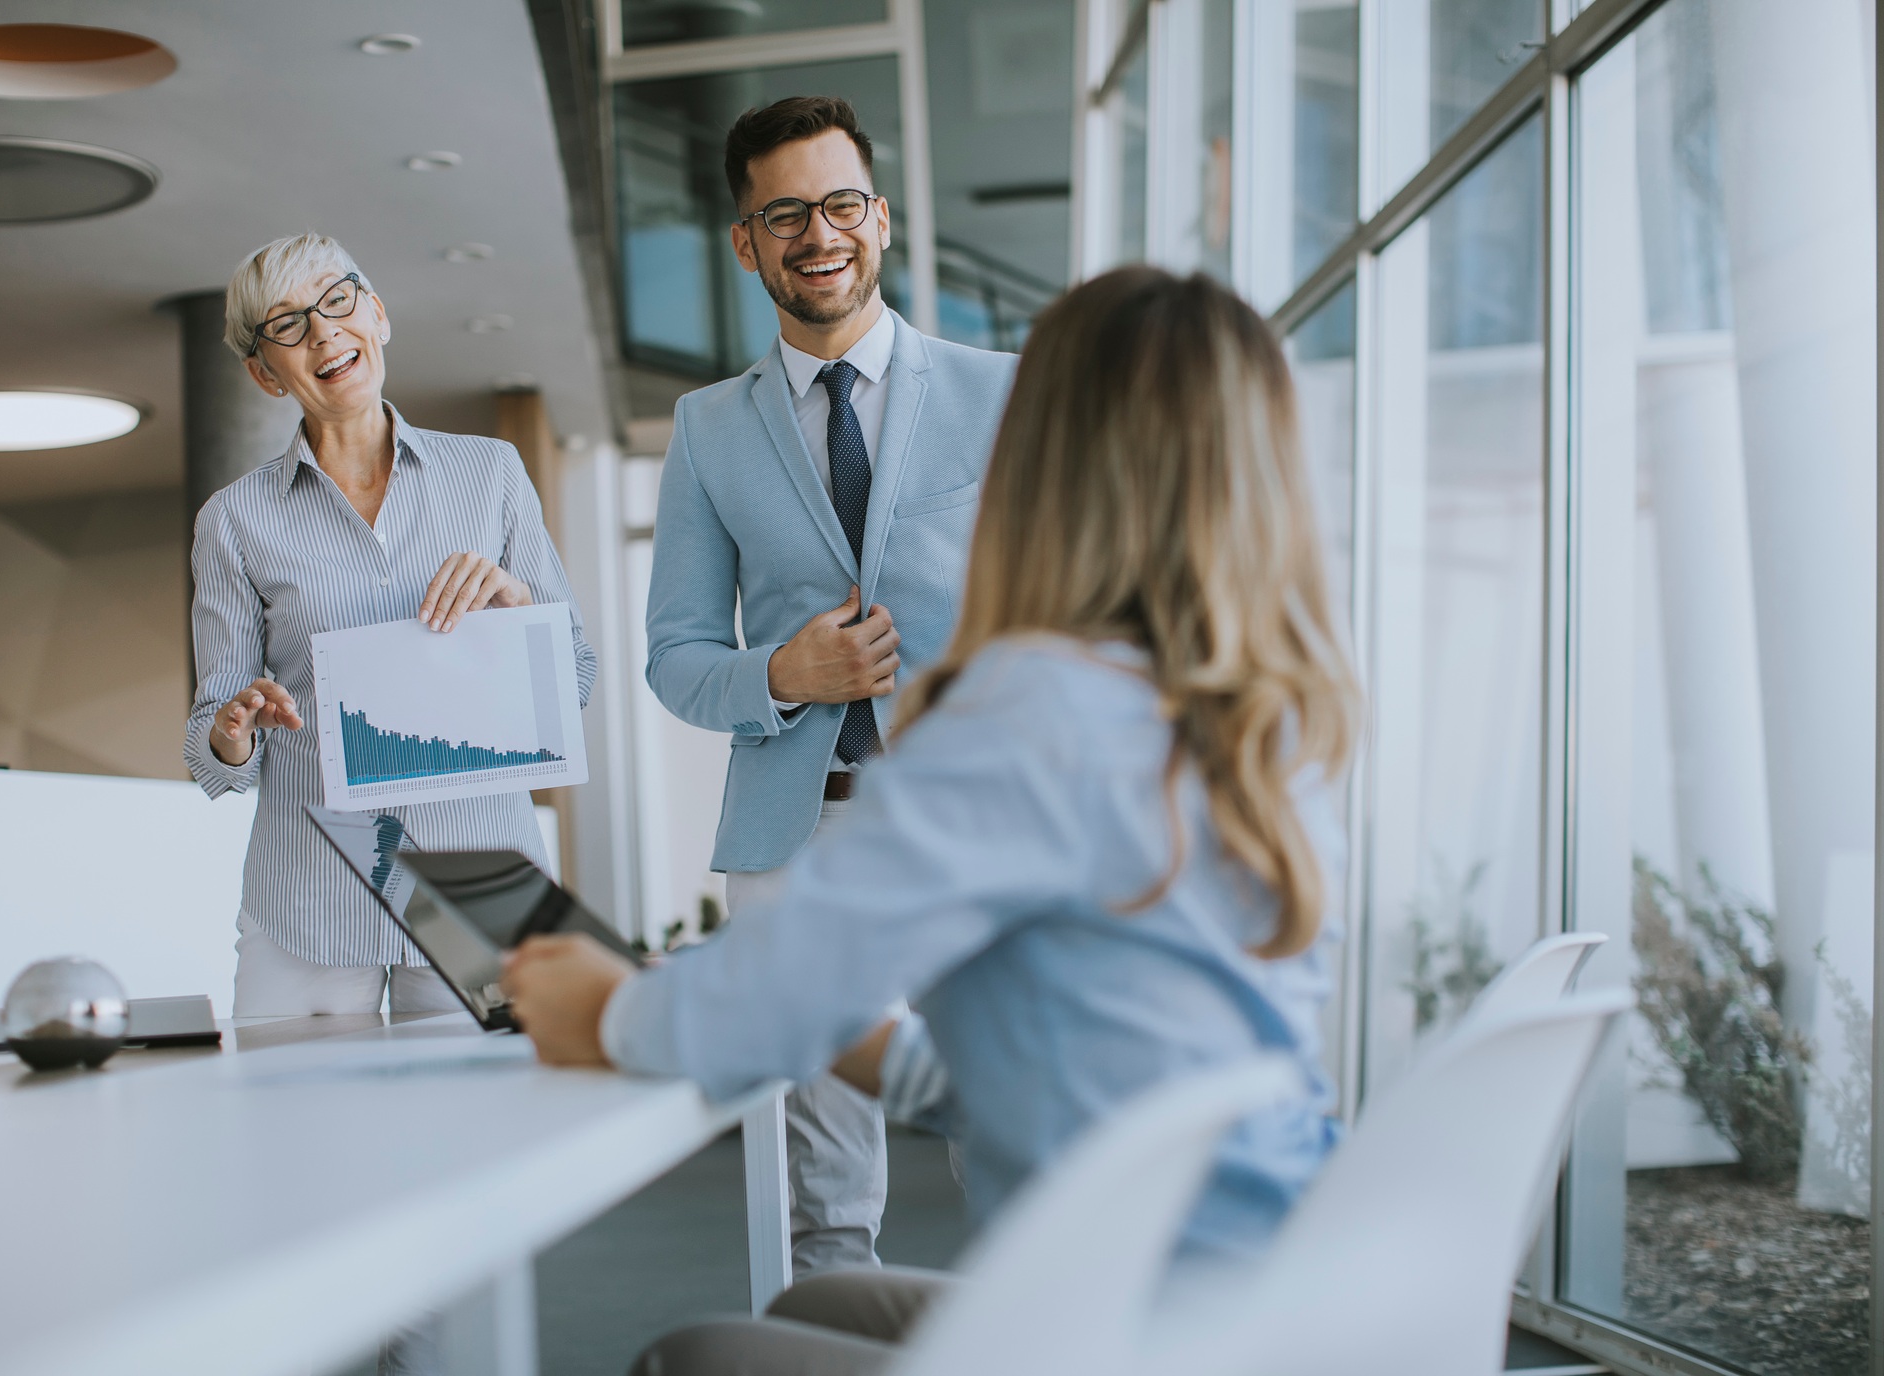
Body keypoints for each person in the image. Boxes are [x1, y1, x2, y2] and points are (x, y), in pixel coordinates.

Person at [502, 267, 1363, 1375]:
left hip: (1117, 1329)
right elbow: (1103, 1071)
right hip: (1269, 1297)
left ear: (1048, 461)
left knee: (694, 1354)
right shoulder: (1269, 722)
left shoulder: (1036, 703)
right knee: (833, 1296)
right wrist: (871, 1047)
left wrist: (611, 1008)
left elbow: (762, 997)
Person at [642, 95, 1017, 1275]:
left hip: (973, 827)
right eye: (785, 212)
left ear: (882, 217)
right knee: (821, 1188)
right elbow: (675, 654)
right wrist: (781, 673)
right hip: (796, 841)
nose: (820, 233)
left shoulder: (1003, 392)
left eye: (840, 202)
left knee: (1006, 1143)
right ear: (746, 240)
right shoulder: (706, 430)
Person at [185, 232, 596, 1022]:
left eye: (338, 302)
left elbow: (573, 679)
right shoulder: (234, 521)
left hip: (481, 885)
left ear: (375, 313)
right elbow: (217, 746)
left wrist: (517, 614)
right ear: (264, 372)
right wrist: (234, 729)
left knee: (487, 1136)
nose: (323, 332)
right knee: (299, 1140)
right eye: (288, 325)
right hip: (308, 892)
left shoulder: (492, 474)